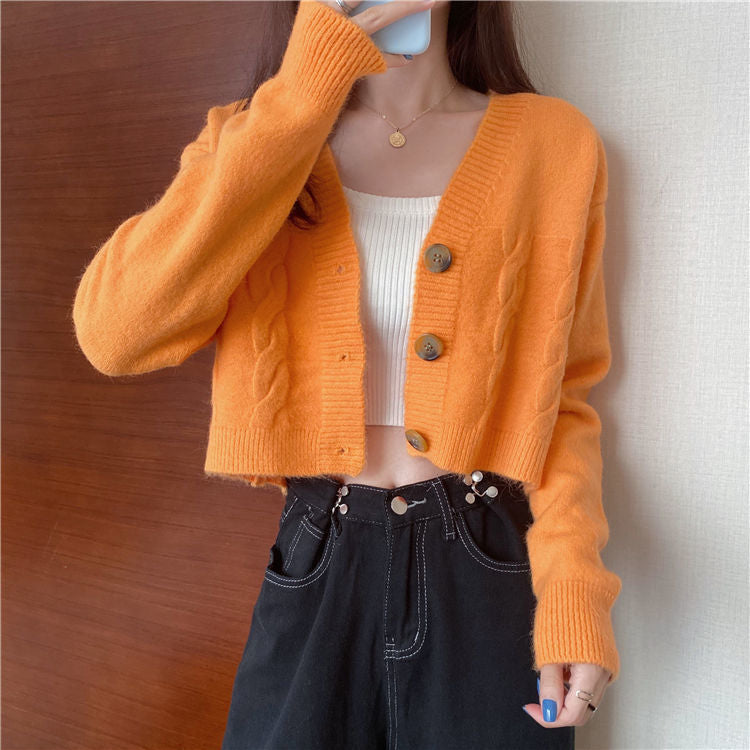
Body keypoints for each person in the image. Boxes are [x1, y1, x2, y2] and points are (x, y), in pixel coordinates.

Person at [71, 0, 623, 747]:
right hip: (319, 550)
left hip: (487, 559)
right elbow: (115, 335)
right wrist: (303, 95)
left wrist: (573, 592)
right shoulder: (255, 136)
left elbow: (563, 401)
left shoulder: (554, 144)